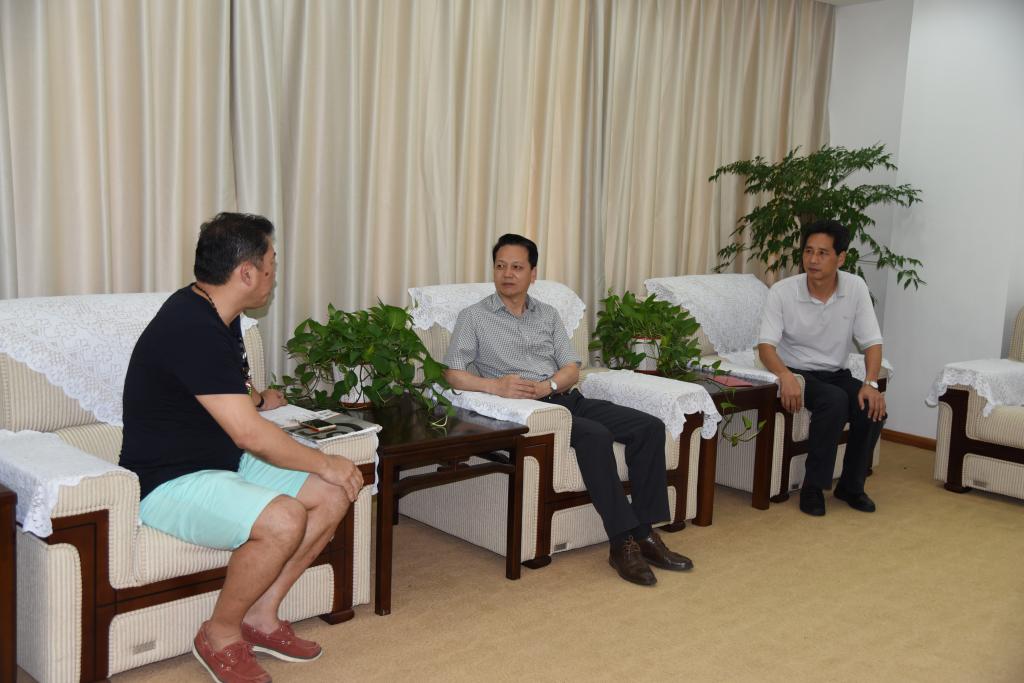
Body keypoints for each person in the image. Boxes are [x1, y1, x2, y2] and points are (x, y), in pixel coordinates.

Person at [120, 212, 364, 683]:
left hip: (221, 463)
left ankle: (261, 617)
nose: (275, 272)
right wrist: (324, 461)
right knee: (286, 516)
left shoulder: (217, 313)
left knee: (335, 491)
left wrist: (257, 398)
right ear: (247, 272)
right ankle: (220, 633)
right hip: (169, 481)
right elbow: (249, 435)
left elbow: (218, 389)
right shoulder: (191, 326)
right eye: (272, 262)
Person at [443, 233, 693, 586]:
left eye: (517, 267)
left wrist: (549, 385)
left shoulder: (547, 314)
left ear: (532, 273)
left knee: (648, 427)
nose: (507, 274)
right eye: (500, 266)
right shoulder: (474, 317)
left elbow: (572, 368)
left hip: (561, 397)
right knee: (595, 436)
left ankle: (645, 533)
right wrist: (494, 386)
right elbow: (452, 373)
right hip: (527, 411)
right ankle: (623, 541)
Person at [757, 219, 887, 517]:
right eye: (808, 251)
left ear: (840, 258)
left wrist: (871, 383)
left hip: (836, 373)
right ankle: (813, 487)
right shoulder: (782, 291)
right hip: (797, 372)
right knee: (834, 401)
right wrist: (785, 375)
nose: (813, 259)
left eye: (822, 253)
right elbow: (766, 347)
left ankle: (851, 486)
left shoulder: (855, 287)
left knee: (871, 406)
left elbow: (872, 342)